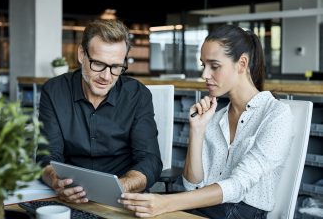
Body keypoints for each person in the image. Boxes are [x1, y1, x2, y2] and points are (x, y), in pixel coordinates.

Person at [118, 24, 293, 219]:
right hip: (206, 208)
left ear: (242, 64)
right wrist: (197, 130)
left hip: (242, 212)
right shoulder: (215, 117)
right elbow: (192, 185)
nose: (204, 75)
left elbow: (237, 185)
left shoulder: (277, 114)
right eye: (204, 65)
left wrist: (166, 203)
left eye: (214, 66)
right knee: (132, 211)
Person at [36, 19, 163, 204]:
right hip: (69, 196)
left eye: (116, 67)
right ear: (81, 55)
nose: (106, 76)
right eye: (98, 64)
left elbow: (149, 159)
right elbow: (47, 155)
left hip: (123, 198)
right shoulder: (54, 91)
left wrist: (121, 186)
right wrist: (56, 181)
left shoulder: (138, 95)